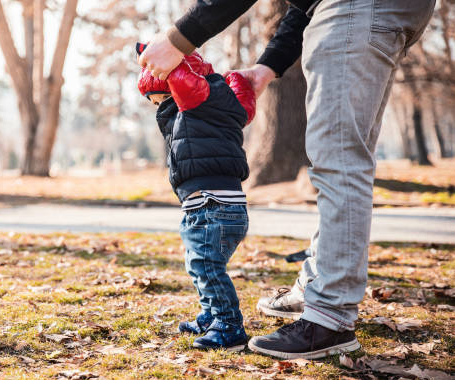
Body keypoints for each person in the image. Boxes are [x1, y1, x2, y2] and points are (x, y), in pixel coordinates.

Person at [138, 0, 435, 359]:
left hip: (359, 7)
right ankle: (317, 289)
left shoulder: (201, 94)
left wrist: (177, 40)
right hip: (363, 8)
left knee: (339, 160)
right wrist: (266, 67)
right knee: (340, 158)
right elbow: (307, 5)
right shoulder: (213, 103)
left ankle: (330, 316)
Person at [137, 44, 256, 351]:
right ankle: (210, 315)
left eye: (163, 99)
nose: (161, 107)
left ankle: (229, 327)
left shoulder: (194, 99)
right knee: (200, 263)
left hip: (210, 205)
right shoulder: (224, 106)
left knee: (206, 265)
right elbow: (245, 104)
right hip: (221, 206)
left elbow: (179, 73)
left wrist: (162, 52)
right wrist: (239, 81)